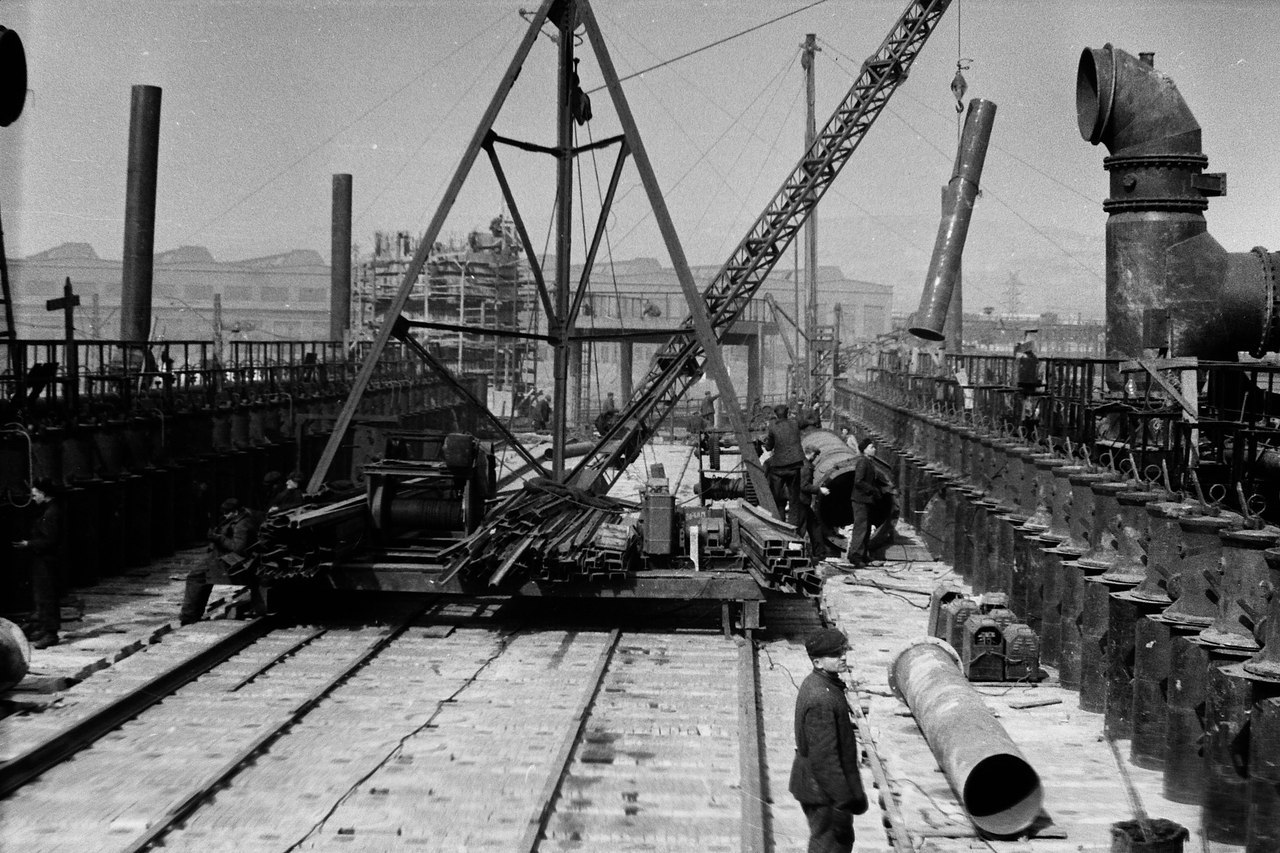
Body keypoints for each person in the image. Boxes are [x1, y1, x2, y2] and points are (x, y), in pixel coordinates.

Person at [789, 627, 868, 853]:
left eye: (843, 651)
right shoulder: (821, 699)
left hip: (823, 789)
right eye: (835, 654)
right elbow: (825, 761)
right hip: (825, 793)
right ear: (818, 663)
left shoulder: (821, 683)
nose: (843, 656)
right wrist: (843, 803)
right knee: (829, 847)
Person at [180, 497, 260, 625]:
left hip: (233, 560)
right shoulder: (241, 518)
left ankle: (189, 617)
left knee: (195, 577)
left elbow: (237, 548)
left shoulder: (242, 524)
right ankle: (192, 615)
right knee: (200, 576)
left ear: (235, 512)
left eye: (227, 512)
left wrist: (218, 538)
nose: (225, 515)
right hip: (224, 556)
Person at [12, 480, 64, 649]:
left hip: (47, 562)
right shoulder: (50, 510)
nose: (33, 498)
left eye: (35, 495)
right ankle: (45, 627)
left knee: (47, 596)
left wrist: (29, 544)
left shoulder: (51, 513)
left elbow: (50, 540)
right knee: (41, 596)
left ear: (44, 494)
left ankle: (51, 634)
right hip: (43, 561)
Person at [764, 403, 805, 524]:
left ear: (776, 415)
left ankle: (779, 523)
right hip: (795, 466)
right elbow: (802, 421)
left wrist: (765, 443)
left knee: (777, 498)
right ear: (787, 413)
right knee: (794, 499)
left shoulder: (773, 427)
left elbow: (768, 447)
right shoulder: (794, 423)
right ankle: (793, 526)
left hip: (779, 468)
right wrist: (799, 407)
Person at [846, 437, 883, 566]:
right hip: (860, 499)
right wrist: (872, 490)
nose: (874, 449)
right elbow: (858, 481)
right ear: (865, 450)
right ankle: (855, 556)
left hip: (866, 500)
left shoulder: (869, 462)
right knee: (860, 528)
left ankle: (863, 554)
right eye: (871, 447)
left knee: (866, 528)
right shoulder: (862, 462)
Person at [799, 446, 834, 561]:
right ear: (811, 454)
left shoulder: (803, 464)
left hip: (802, 502)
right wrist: (819, 490)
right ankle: (796, 552)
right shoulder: (805, 467)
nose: (815, 458)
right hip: (801, 502)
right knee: (801, 529)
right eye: (815, 455)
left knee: (814, 526)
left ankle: (819, 553)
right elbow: (803, 486)